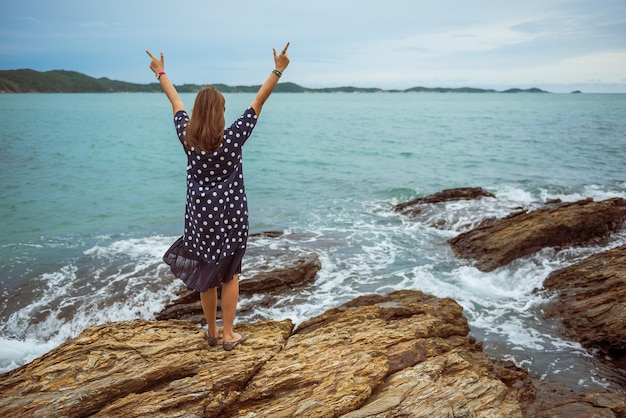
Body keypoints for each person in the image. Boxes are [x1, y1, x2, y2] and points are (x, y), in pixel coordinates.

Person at [146, 42, 290, 351]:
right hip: (231, 219)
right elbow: (258, 102)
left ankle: (211, 330)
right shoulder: (233, 139)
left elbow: (175, 102)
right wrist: (278, 69)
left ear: (198, 113)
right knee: (230, 276)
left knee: (206, 275)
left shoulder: (188, 138)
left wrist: (161, 72)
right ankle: (229, 335)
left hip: (200, 221)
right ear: (221, 114)